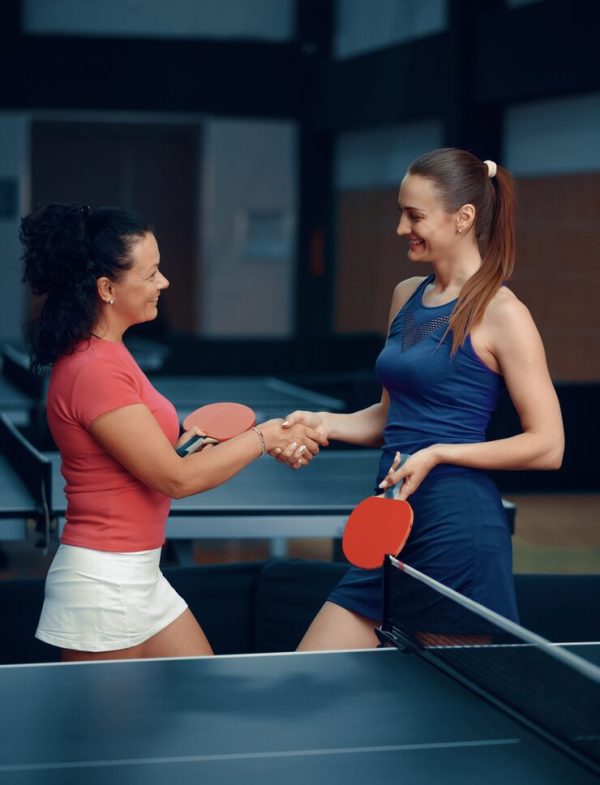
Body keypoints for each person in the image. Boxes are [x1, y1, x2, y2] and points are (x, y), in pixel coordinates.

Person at [281, 147, 564, 651]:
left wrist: (439, 452)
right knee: (311, 677)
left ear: (464, 218)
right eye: (400, 213)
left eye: (414, 216)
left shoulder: (503, 313)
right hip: (390, 526)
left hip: (457, 533)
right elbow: (389, 418)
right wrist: (321, 421)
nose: (400, 228)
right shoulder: (406, 295)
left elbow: (548, 446)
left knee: (442, 712)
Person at [21, 202, 325, 662]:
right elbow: (175, 480)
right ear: (106, 288)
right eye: (151, 274)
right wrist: (264, 438)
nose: (163, 283)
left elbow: (157, 463)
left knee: (200, 707)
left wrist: (190, 446)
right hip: (105, 586)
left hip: (142, 576)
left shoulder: (110, 354)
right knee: (112, 738)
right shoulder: (93, 368)